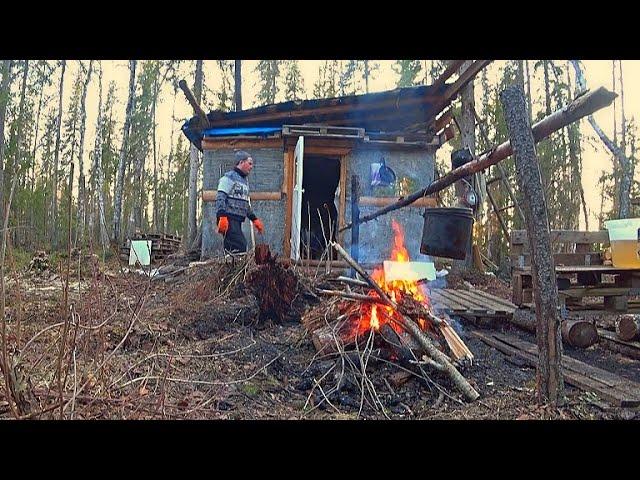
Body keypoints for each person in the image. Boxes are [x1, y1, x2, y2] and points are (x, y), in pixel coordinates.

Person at [215, 150, 264, 253]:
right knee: (239, 246)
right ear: (241, 162)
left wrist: (254, 219)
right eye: (249, 163)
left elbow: (244, 203)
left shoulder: (244, 182)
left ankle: (232, 266)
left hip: (237, 221)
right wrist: (222, 216)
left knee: (236, 247)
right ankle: (234, 267)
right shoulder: (228, 178)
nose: (251, 167)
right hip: (228, 219)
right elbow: (220, 197)